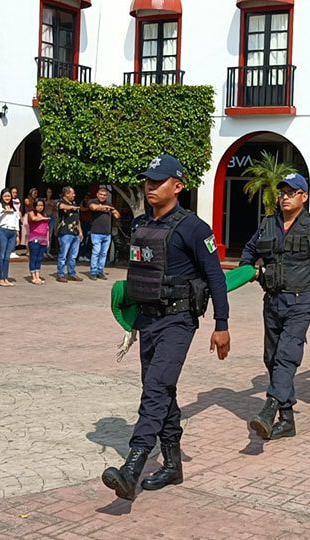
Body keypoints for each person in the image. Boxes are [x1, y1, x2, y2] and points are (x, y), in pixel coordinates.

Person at [101, 154, 230, 501]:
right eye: (148, 180)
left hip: (179, 319)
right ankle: (173, 463)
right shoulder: (143, 223)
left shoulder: (194, 228)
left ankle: (134, 465)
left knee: (156, 387)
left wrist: (221, 324)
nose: (150, 187)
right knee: (160, 388)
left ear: (178, 186)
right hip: (148, 320)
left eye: (158, 181)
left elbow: (216, 276)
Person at [240, 173, 310, 441]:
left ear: (304, 197)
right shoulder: (267, 224)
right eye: (282, 192)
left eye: (292, 192)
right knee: (272, 357)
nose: (285, 197)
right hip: (272, 300)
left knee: (286, 356)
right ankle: (287, 420)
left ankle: (270, 408)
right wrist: (246, 268)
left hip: (301, 301)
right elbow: (249, 251)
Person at [87, 186, 120, 280]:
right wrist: (105, 208)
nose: (102, 196)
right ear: (97, 195)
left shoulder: (109, 204)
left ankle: (100, 271)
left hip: (107, 233)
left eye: (104, 195)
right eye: (101, 194)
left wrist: (113, 210)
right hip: (96, 232)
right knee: (96, 252)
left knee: (104, 253)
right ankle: (93, 271)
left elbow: (117, 216)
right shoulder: (92, 201)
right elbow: (93, 208)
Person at [55, 186, 84, 282]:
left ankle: (71, 273)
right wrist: (71, 207)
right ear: (67, 194)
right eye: (72, 193)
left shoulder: (74, 203)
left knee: (73, 255)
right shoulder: (60, 202)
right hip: (65, 232)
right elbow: (61, 207)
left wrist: (80, 231)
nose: (74, 195)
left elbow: (77, 219)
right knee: (63, 254)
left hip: (75, 232)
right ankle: (60, 274)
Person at [0, 188, 19, 286]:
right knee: (1, 255)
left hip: (12, 232)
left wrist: (17, 235)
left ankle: (6, 278)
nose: (7, 198)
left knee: (7, 257)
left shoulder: (14, 207)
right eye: (5, 196)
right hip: (2, 231)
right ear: (1, 197)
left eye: (8, 196)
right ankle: (0, 278)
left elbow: (16, 221)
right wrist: (6, 210)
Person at [26, 198, 49, 285]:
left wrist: (48, 239)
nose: (40, 207)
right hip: (34, 238)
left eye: (42, 205)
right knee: (34, 257)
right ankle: (33, 276)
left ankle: (38, 275)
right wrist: (43, 218)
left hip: (43, 239)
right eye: (38, 205)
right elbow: (34, 219)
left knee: (39, 258)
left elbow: (47, 228)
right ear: (35, 206)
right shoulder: (31, 213)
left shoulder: (44, 214)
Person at [9, 186, 23, 258]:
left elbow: (18, 210)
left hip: (17, 219)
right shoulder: (9, 200)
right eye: (13, 192)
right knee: (14, 234)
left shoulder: (18, 200)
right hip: (11, 219)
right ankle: (11, 251)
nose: (15, 194)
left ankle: (13, 250)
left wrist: (21, 219)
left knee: (17, 235)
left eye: (16, 192)